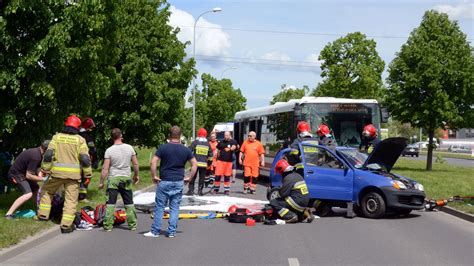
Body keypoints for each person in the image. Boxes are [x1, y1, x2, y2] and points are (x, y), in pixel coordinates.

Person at [38, 115, 92, 233]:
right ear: (77, 127)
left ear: (66, 124)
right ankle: (66, 226)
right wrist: (88, 175)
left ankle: (43, 215)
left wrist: (45, 169)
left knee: (47, 192)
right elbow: (85, 159)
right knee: (71, 200)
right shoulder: (80, 140)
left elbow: (48, 155)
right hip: (73, 177)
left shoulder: (56, 138)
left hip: (56, 174)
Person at [144, 126, 197, 238]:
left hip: (164, 181)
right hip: (178, 181)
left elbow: (153, 162)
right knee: (174, 207)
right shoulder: (185, 149)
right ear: (180, 135)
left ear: (170, 135)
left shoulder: (163, 148)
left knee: (160, 207)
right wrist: (189, 177)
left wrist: (154, 176)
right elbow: (194, 164)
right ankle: (172, 231)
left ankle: (155, 231)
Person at [99, 128, 139, 232]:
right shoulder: (130, 148)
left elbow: (105, 168)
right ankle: (132, 225)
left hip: (113, 179)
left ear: (112, 137)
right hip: (126, 178)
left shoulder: (109, 150)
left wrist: (101, 182)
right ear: (121, 136)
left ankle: (108, 225)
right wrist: (136, 175)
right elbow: (135, 163)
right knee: (129, 203)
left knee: (111, 203)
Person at [4, 140, 49, 219]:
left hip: (23, 174)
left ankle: (40, 211)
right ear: (46, 149)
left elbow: (37, 168)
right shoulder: (36, 156)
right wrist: (42, 179)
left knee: (36, 191)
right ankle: (8, 214)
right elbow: (29, 176)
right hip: (16, 175)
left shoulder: (39, 154)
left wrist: (42, 175)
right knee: (28, 194)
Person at [269, 159, 313, 223]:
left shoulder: (288, 178)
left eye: (280, 172)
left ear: (282, 170)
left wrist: (279, 190)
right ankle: (305, 214)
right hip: (304, 202)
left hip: (297, 202)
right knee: (288, 200)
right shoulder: (297, 175)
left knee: (274, 202)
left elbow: (283, 194)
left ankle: (290, 216)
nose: (280, 174)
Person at [188, 128, 213, 196]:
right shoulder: (208, 144)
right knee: (201, 178)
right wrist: (209, 163)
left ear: (198, 134)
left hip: (195, 164)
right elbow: (211, 155)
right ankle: (200, 191)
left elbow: (189, 150)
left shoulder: (195, 142)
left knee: (192, 177)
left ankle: (191, 190)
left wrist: (190, 160)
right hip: (204, 165)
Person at [78, 117, 98, 202]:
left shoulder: (75, 135)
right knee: (85, 178)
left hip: (74, 161)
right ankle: (82, 197)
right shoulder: (87, 137)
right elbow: (92, 150)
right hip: (85, 161)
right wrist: (95, 160)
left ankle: (76, 195)